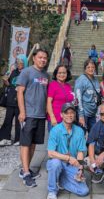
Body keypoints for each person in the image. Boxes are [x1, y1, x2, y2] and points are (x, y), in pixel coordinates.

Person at [17, 48, 49, 188]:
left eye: (45, 58)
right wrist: (22, 112)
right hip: (29, 114)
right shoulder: (27, 72)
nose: (43, 60)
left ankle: (26, 168)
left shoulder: (46, 75)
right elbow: (19, 92)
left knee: (34, 144)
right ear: (34, 58)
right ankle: (25, 173)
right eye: (40, 57)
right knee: (25, 143)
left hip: (41, 115)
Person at [47, 102, 89, 199]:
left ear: (75, 115)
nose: (69, 115)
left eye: (72, 112)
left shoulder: (79, 131)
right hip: (59, 162)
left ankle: (62, 180)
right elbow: (50, 153)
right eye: (66, 113)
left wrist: (80, 167)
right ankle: (52, 190)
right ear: (61, 115)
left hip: (72, 164)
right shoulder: (55, 130)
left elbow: (81, 151)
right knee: (55, 163)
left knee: (84, 191)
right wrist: (68, 158)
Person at [0, 55, 28, 146]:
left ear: (24, 63)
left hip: (21, 100)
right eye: (18, 62)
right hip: (11, 98)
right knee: (8, 119)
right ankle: (5, 138)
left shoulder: (27, 73)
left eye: (21, 62)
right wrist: (6, 81)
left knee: (19, 120)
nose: (19, 64)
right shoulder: (13, 71)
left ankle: (18, 139)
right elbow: (9, 83)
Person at [74, 59, 100, 133]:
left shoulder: (96, 80)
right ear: (85, 69)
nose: (91, 69)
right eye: (88, 67)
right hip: (84, 113)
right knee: (81, 135)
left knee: (93, 136)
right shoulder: (81, 80)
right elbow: (78, 98)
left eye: (93, 67)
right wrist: (81, 115)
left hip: (94, 113)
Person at [47, 65, 74, 132]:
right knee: (55, 141)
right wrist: (52, 117)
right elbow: (48, 102)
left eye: (64, 73)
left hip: (67, 119)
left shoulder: (68, 86)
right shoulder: (52, 85)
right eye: (59, 73)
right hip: (56, 119)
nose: (62, 74)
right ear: (56, 74)